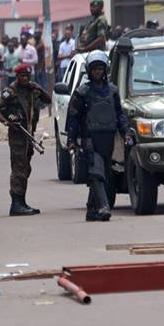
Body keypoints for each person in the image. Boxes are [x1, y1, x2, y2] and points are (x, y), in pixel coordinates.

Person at [66, 51, 130, 222]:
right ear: (89, 70)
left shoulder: (113, 91)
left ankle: (91, 209)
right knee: (96, 173)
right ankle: (103, 206)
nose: (97, 72)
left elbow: (119, 114)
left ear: (105, 69)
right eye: (94, 69)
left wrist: (126, 133)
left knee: (105, 174)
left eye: (100, 69)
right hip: (89, 138)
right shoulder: (82, 92)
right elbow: (73, 117)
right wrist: (71, 140)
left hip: (108, 139)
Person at [0, 65, 51, 215]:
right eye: (22, 76)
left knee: (26, 169)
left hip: (29, 135)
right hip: (17, 136)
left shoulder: (31, 89)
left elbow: (48, 100)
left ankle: (22, 202)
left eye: (27, 75)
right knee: (19, 169)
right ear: (17, 76)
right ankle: (16, 205)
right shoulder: (11, 92)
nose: (25, 78)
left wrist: (40, 89)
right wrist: (6, 122)